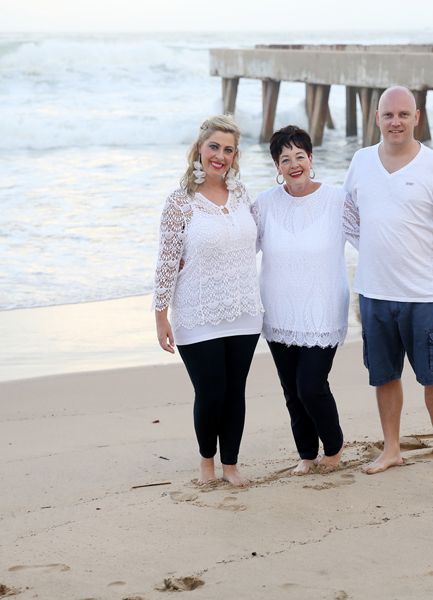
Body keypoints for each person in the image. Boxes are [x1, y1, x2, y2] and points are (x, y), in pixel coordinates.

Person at [342, 86, 433, 475]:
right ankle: (392, 449)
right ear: (377, 119)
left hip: (424, 294)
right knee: (384, 376)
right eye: (387, 115)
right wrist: (376, 248)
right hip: (373, 292)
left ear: (416, 118)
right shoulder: (361, 161)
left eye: (402, 114)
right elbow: (347, 216)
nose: (394, 122)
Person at [152, 115, 263, 487]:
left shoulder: (242, 194)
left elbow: (256, 240)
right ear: (199, 148)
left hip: (244, 309)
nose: (220, 156)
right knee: (211, 392)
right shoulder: (179, 202)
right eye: (214, 146)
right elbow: (167, 262)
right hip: (197, 311)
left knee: (235, 393)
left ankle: (230, 466)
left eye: (228, 150)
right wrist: (161, 317)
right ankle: (206, 466)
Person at [253, 125, 359, 475]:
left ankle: (334, 445)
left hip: (322, 309)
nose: (294, 164)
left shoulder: (337, 200)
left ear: (311, 159)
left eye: (300, 156)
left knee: (310, 386)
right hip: (277, 310)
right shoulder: (264, 203)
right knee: (291, 390)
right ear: (277, 166)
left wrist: (422, 253)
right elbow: (239, 248)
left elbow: (371, 240)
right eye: (285, 159)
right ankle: (306, 454)